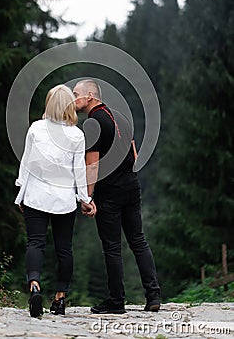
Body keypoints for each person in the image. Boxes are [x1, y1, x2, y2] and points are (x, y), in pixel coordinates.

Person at [73, 79, 161, 314]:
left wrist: (88, 196)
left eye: (76, 94)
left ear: (90, 95)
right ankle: (153, 295)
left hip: (109, 191)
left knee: (112, 247)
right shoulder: (121, 116)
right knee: (138, 240)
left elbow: (91, 165)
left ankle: (116, 301)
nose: (73, 99)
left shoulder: (92, 123)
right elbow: (133, 152)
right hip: (131, 186)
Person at [15, 84, 96, 317]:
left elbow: (26, 164)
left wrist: (21, 192)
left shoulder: (36, 129)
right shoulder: (76, 135)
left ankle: (34, 285)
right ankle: (60, 298)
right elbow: (78, 171)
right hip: (64, 200)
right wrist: (85, 199)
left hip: (35, 195)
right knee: (64, 249)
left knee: (35, 243)